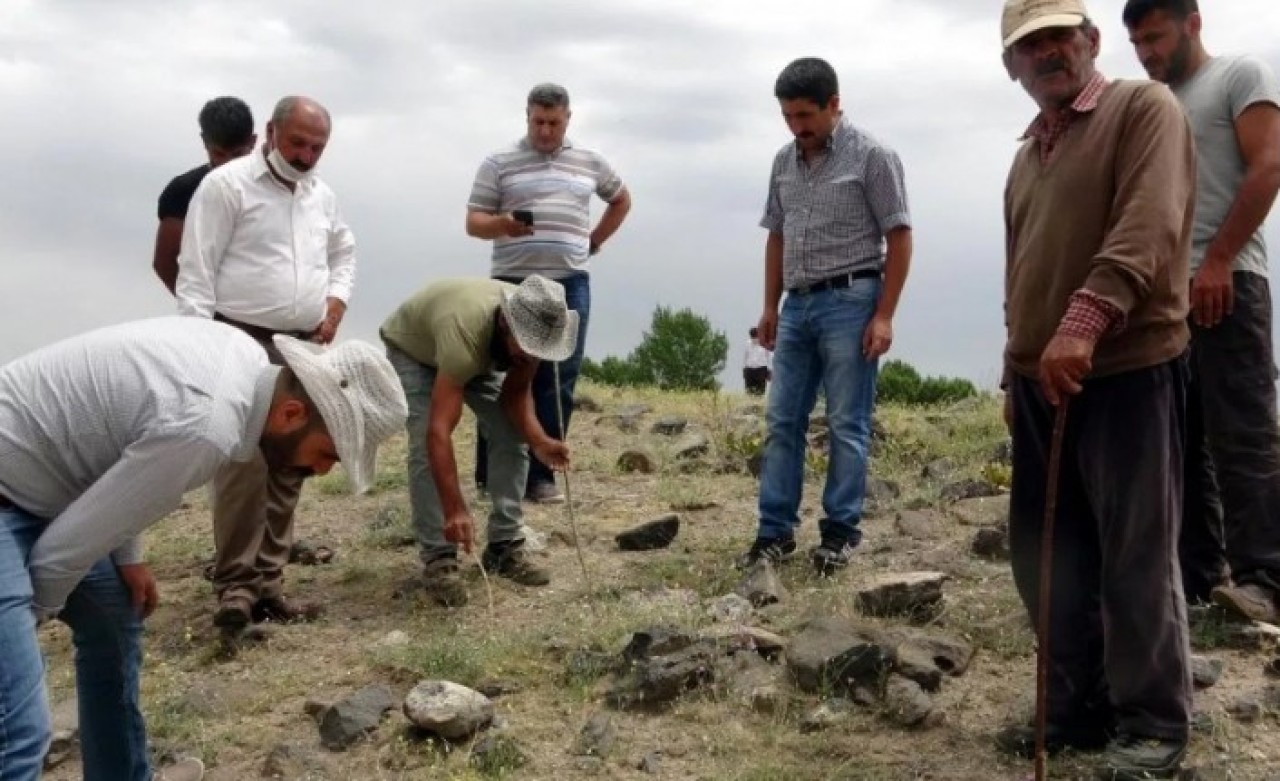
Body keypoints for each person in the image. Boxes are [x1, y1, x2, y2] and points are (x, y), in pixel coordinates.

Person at [0, 317, 406, 781]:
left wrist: (128, 557)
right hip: (13, 497)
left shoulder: (243, 360)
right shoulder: (206, 427)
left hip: (45, 490)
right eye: (328, 454)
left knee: (115, 614)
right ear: (291, 414)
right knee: (18, 731)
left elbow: (121, 447)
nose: (322, 471)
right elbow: (56, 560)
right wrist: (29, 617)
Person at [996, 1, 1196, 777]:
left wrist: (1085, 318)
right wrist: (1016, 363)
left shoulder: (1142, 108)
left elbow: (1149, 224)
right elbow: (1022, 275)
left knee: (1135, 553)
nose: (1047, 53)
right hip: (1040, 378)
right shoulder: (1026, 155)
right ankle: (1078, 706)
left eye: (1058, 36)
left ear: (1090, 41)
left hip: (1126, 366)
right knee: (1045, 555)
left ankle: (1153, 720)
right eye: (1028, 45)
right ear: (1012, 67)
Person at [176, 95, 358, 631]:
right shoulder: (226, 186)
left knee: (289, 462)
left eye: (316, 147)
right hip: (238, 340)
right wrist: (198, 348)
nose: (305, 155)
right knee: (242, 464)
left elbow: (344, 251)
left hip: (301, 346)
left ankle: (270, 581)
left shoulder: (321, 195)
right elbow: (196, 270)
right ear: (271, 131)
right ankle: (235, 584)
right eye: (298, 142)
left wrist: (336, 301)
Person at [1124, 0, 1280, 619]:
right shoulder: (1155, 103)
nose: (1146, 53)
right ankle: (1198, 577)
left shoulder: (1239, 75)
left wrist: (1216, 261)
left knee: (1241, 432)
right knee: (1180, 439)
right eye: (1136, 43)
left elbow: (1269, 165)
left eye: (1155, 38)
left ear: (1192, 23)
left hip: (1229, 281)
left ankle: (1266, 579)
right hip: (1167, 299)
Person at [738, 57, 913, 575]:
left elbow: (900, 236)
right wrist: (770, 306)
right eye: (789, 116)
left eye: (806, 114)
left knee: (846, 422)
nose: (798, 126)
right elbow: (777, 234)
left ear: (835, 104)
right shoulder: (783, 162)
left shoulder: (874, 156)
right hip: (796, 305)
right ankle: (774, 532)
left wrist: (884, 315)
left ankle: (840, 532)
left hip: (852, 299)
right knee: (781, 420)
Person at [465, 82, 632, 504]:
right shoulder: (498, 161)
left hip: (568, 281)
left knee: (559, 375)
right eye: (538, 122)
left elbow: (622, 200)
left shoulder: (590, 161)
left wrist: (593, 243)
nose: (545, 131)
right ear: (526, 117)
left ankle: (541, 475)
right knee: (501, 374)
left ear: (567, 119)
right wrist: (503, 223)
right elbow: (473, 222)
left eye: (553, 123)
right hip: (512, 280)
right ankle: (494, 475)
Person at [381, 276, 575, 606]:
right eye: (526, 348)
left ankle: (504, 546)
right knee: (424, 445)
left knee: (511, 436)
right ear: (504, 323)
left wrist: (539, 440)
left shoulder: (538, 326)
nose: (531, 358)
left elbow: (514, 396)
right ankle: (439, 558)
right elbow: (438, 433)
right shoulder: (466, 336)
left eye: (537, 352)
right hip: (416, 348)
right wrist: (455, 509)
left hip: (475, 347)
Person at [152, 96, 256, 294]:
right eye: (218, 154)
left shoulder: (273, 185)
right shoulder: (183, 191)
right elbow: (164, 262)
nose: (227, 164)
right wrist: (201, 309)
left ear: (253, 142)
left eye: (237, 155)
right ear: (204, 143)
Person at [743, 326, 773, 395]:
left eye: (755, 337)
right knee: (749, 391)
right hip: (749, 369)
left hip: (761, 369)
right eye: (752, 337)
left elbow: (769, 357)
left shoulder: (764, 343)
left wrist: (770, 370)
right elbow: (745, 357)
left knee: (760, 390)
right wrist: (744, 369)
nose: (754, 339)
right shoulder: (747, 344)